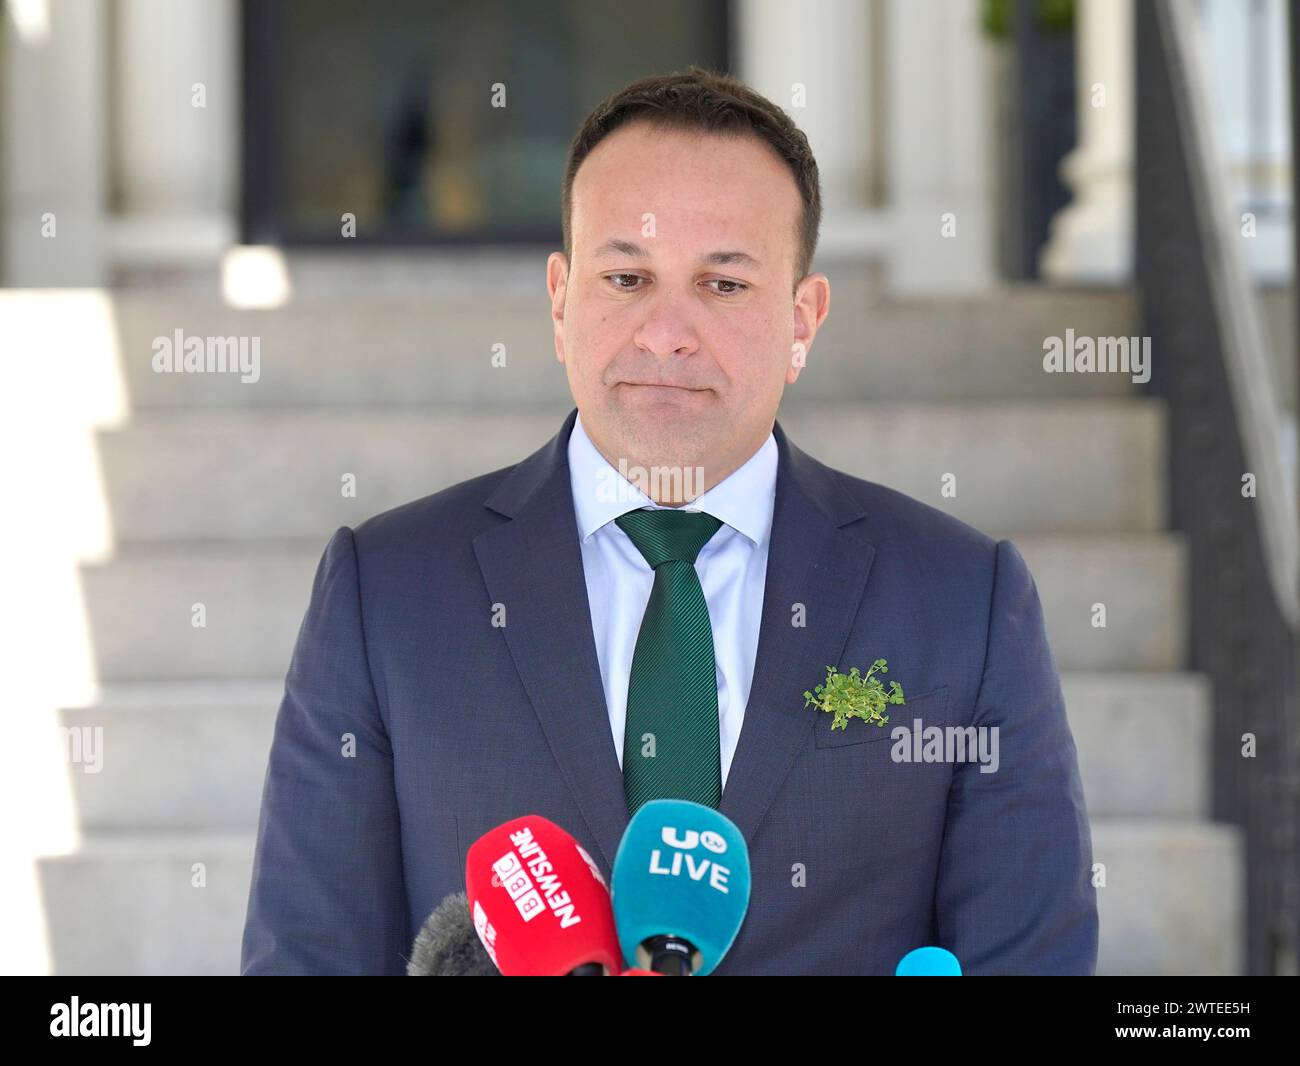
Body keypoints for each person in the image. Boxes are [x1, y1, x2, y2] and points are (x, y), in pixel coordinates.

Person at [240, 66, 1098, 975]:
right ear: (562, 302)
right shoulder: (388, 593)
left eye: (722, 285)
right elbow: (307, 957)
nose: (666, 333)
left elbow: (1032, 956)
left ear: (803, 320)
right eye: (626, 276)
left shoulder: (962, 598)